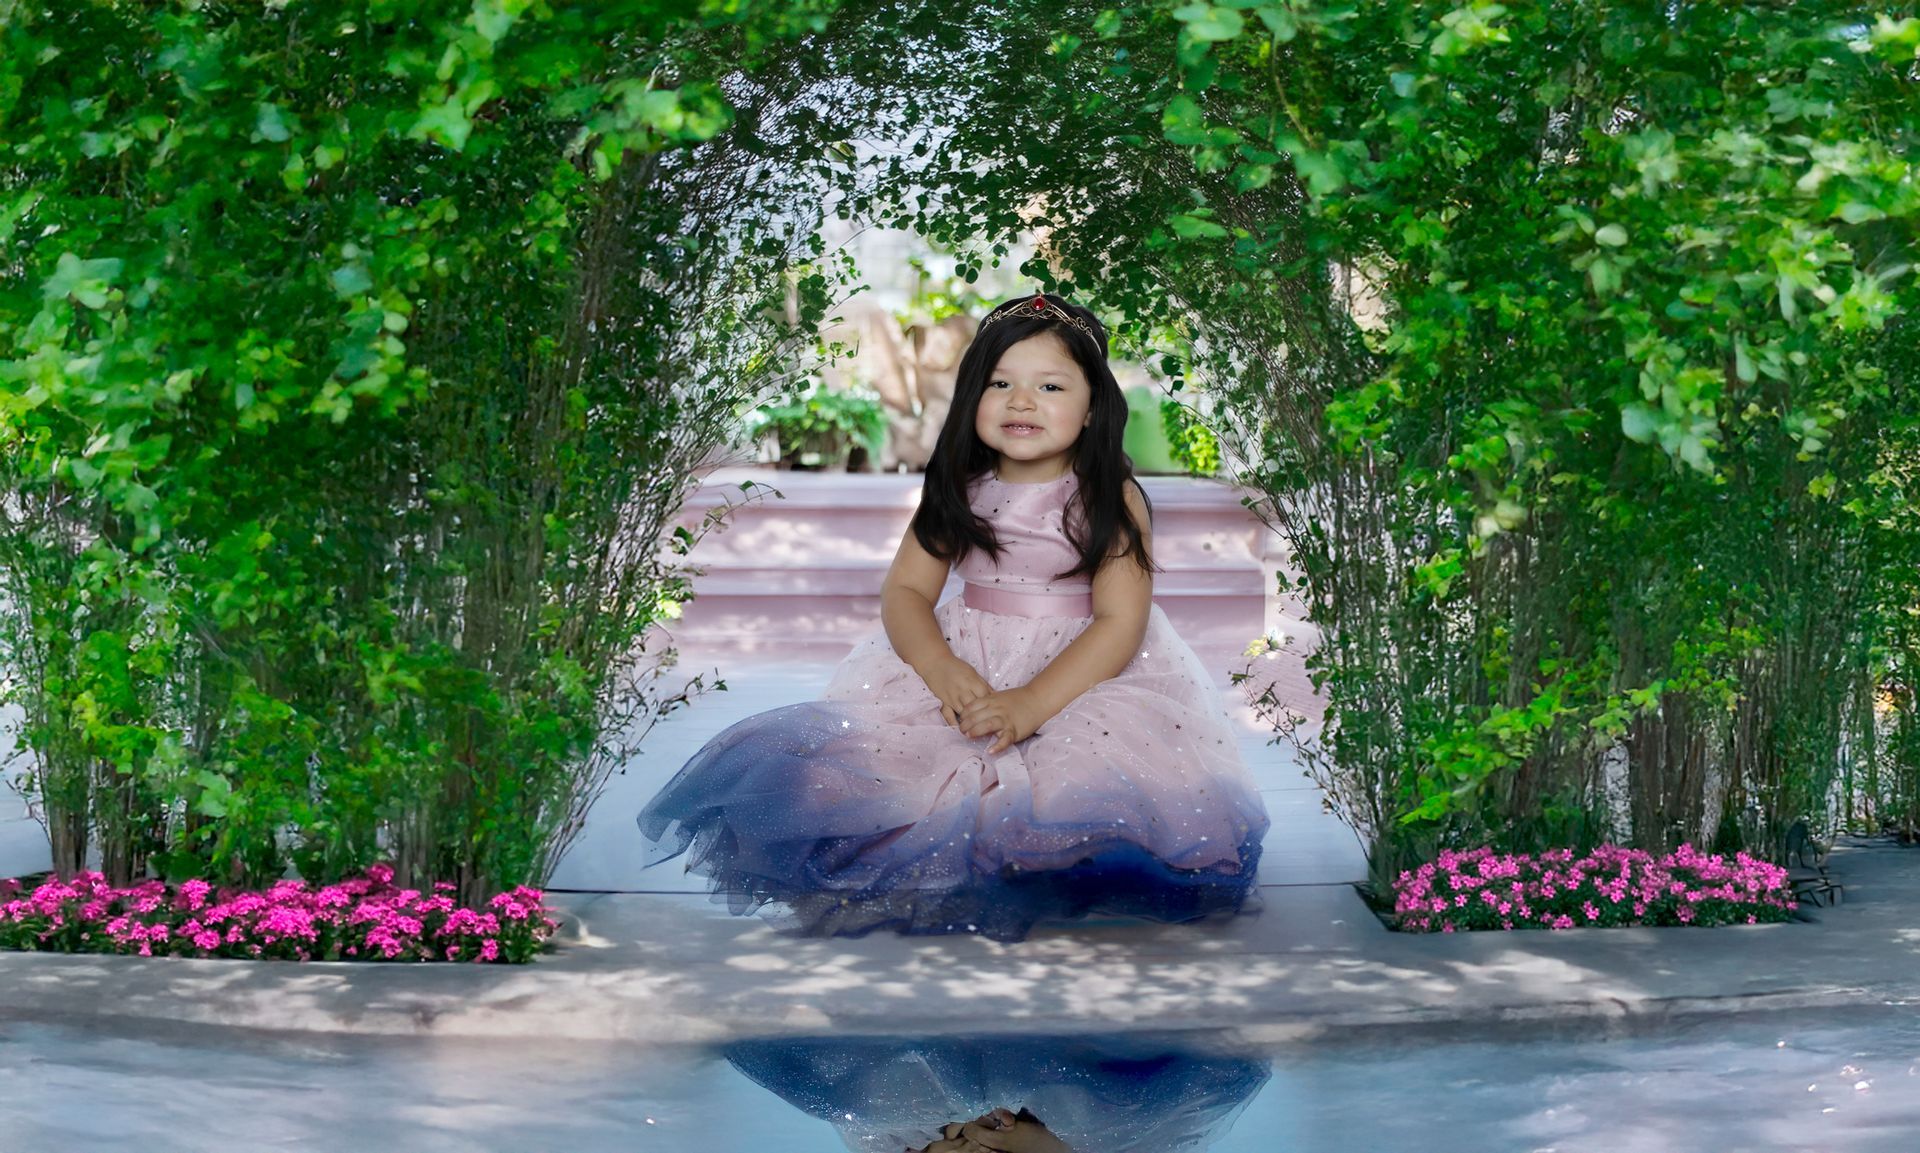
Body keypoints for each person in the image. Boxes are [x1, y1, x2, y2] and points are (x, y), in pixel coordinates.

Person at [636, 292, 1269, 941]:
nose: (1021, 400)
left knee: (1078, 784)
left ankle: (1041, 871)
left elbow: (1119, 622)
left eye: (1050, 385)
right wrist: (940, 666)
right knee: (877, 772)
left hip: (1078, 676)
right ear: (971, 398)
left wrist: (1028, 703)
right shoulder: (959, 487)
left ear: (1092, 408)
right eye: (1000, 383)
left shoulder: (1110, 495)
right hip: (966, 666)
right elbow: (905, 592)